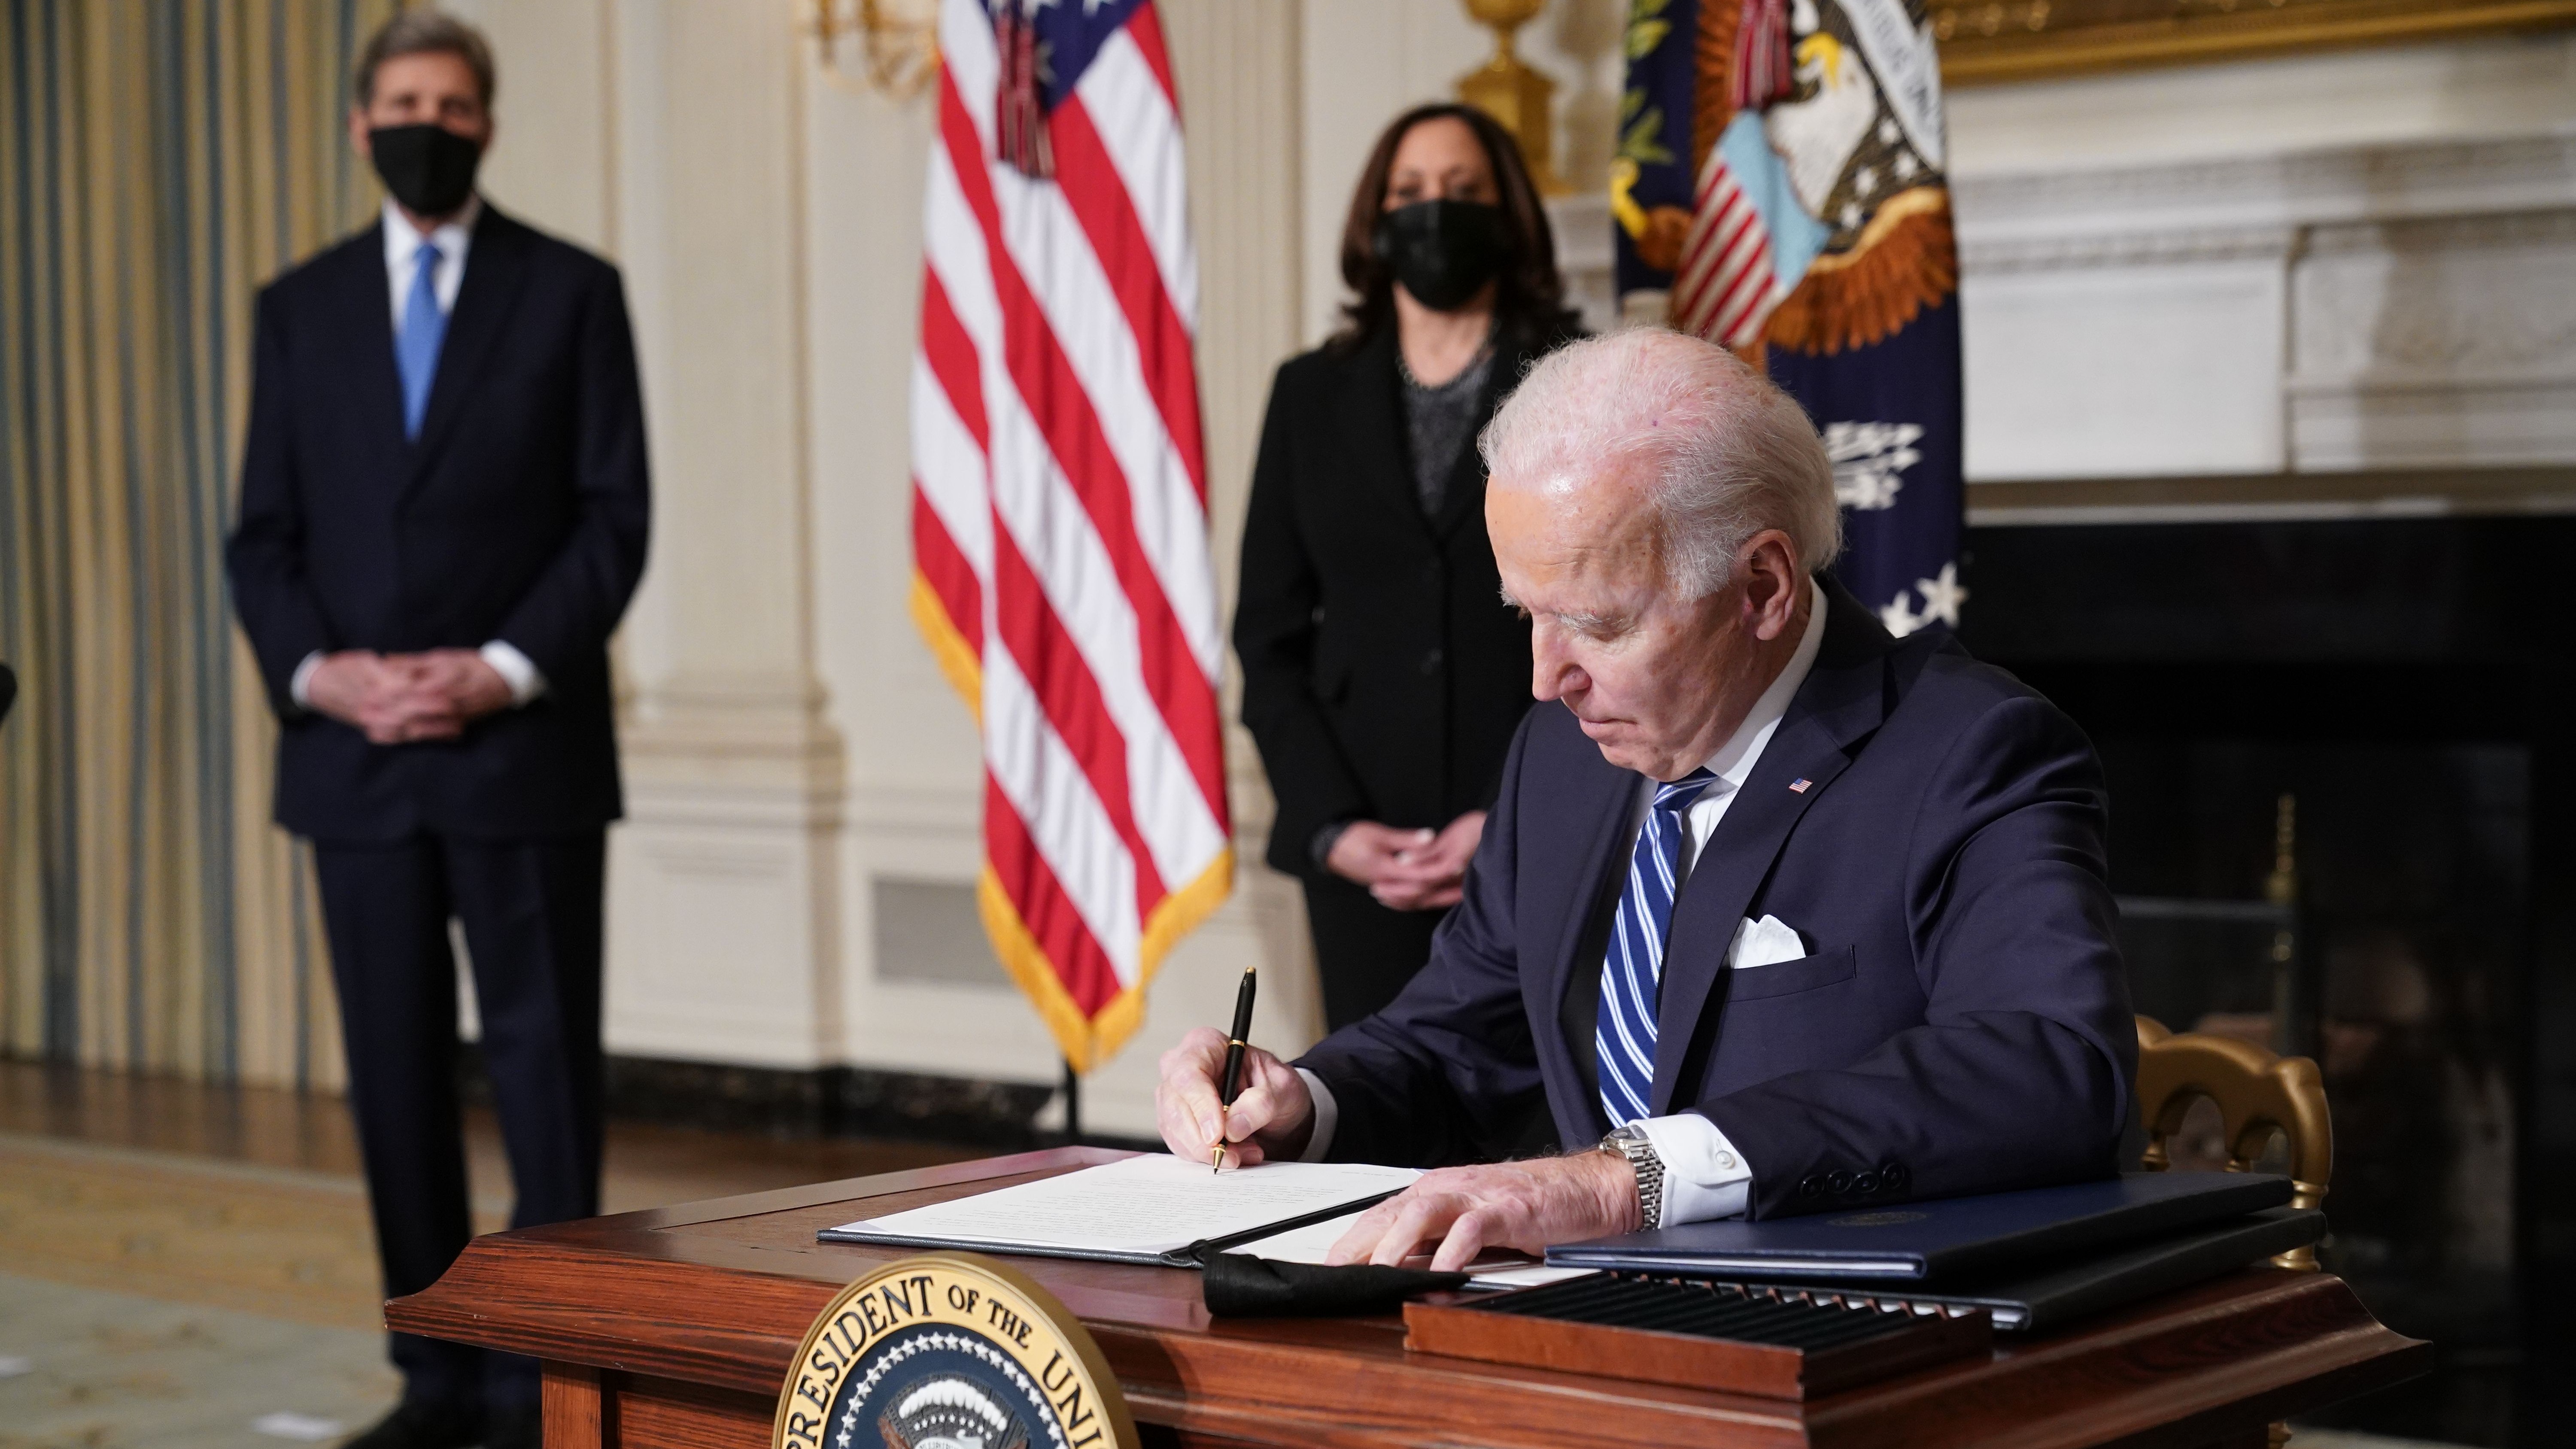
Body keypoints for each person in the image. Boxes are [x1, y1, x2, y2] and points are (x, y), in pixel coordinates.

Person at [1160, 328, 2135, 1268]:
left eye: (1595, 624)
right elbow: (1458, 1041)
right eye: (1528, 615)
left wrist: (1628, 1180)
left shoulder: (1970, 752)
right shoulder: (1563, 753)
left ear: (1761, 586)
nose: (1546, 678)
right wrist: (1301, 1099)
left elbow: (2051, 1064)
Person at [225, 14, 648, 1449]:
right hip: (353, 760)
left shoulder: (574, 292)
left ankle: (549, 1372)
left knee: (543, 1080)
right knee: (395, 1079)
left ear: (489, 123)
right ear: (361, 125)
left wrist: (499, 666)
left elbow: (613, 518)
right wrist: (322, 672)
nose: (429, 120)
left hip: (520, 752)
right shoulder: (298, 308)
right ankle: (437, 1375)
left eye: (454, 103)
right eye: (404, 100)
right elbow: (261, 537)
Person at [1235, 103, 1582, 1030]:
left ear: (1507, 215)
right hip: (1364, 849)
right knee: (1374, 1119)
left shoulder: (1577, 382)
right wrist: (1330, 827)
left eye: (1465, 192)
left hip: (1535, 820)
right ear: (1374, 220)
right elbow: (1267, 642)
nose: (1438, 212)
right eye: (1413, 192)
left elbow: (1608, 617)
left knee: (1531, 1132)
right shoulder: (1307, 394)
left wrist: (1504, 817)